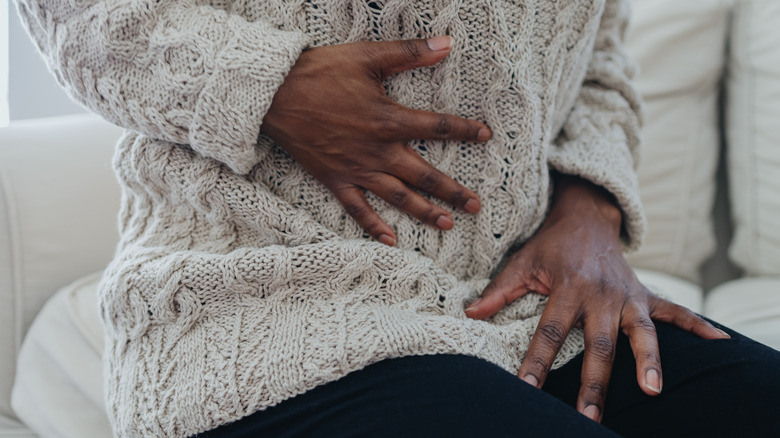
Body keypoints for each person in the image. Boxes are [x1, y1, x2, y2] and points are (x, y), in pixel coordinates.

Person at [15, 0, 780, 436]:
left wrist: (592, 209)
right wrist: (272, 89)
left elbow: (599, 54)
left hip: (515, 310)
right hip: (262, 312)